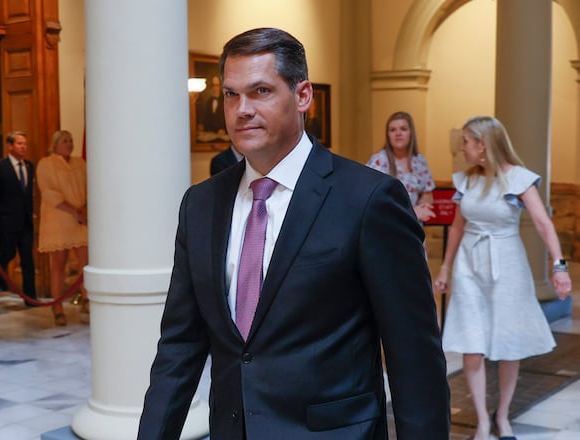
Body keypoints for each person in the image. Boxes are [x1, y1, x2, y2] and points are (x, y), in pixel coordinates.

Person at [138, 27, 450, 439]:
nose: (241, 110)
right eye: (231, 94)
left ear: (303, 96)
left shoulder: (368, 200)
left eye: (261, 91)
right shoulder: (201, 204)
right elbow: (180, 345)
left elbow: (414, 357)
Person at [434, 116, 572, 440]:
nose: (462, 148)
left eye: (466, 142)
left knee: (508, 344)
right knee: (472, 344)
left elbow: (543, 223)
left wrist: (559, 265)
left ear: (483, 145)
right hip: (470, 265)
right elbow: (457, 227)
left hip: (507, 267)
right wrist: (445, 267)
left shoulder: (518, 179)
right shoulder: (467, 180)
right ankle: (483, 420)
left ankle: (503, 415)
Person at [37, 130, 89, 326]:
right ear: (56, 144)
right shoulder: (46, 164)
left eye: (71, 140)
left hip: (80, 219)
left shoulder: (79, 163)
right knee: (58, 263)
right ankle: (57, 305)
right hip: (58, 218)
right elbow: (49, 192)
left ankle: (87, 298)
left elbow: (88, 186)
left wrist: (84, 208)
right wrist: (74, 211)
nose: (69, 144)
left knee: (86, 262)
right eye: (65, 141)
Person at [0, 131, 37, 305]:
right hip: (7, 220)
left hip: (26, 221)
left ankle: (30, 297)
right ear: (10, 146)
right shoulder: (0, 167)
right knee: (7, 254)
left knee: (28, 259)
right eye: (20, 144)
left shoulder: (29, 166)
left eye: (25, 144)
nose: (23, 147)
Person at [367, 111, 436, 222]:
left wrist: (424, 206)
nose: (398, 133)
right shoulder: (378, 161)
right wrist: (412, 212)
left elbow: (427, 194)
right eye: (393, 130)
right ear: (388, 135)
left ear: (411, 133)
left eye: (403, 129)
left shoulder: (420, 161)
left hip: (413, 226)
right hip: (387, 224)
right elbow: (371, 200)